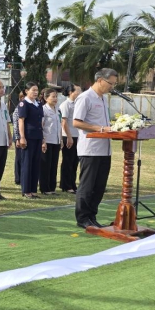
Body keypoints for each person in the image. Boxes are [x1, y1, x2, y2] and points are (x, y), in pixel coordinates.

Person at [73, 69, 117, 229]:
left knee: (99, 186)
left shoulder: (103, 99)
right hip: (90, 149)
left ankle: (92, 216)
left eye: (114, 84)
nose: (112, 87)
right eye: (110, 83)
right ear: (99, 80)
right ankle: (83, 218)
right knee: (87, 185)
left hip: (104, 149)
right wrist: (101, 129)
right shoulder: (85, 97)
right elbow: (76, 122)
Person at [16, 82, 43, 200]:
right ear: (27, 91)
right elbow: (21, 121)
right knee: (27, 163)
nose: (36, 92)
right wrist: (22, 137)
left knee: (36, 163)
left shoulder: (38, 104)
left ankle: (33, 189)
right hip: (28, 136)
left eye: (37, 90)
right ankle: (26, 190)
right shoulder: (24, 103)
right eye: (33, 90)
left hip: (38, 136)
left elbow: (40, 121)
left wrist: (43, 137)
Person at [60, 83, 81, 193]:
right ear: (70, 92)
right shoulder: (66, 104)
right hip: (68, 136)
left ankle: (72, 184)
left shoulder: (77, 104)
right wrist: (69, 137)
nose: (79, 93)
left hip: (77, 135)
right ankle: (66, 185)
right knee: (67, 161)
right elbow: (64, 122)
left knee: (74, 162)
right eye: (77, 90)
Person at [39, 88, 61, 195]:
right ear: (46, 98)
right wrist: (43, 141)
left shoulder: (58, 109)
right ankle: (45, 188)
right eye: (53, 97)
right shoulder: (43, 109)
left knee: (54, 165)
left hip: (56, 141)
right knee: (45, 166)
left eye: (56, 96)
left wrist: (61, 140)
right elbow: (41, 126)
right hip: (47, 140)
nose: (55, 99)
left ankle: (52, 188)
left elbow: (59, 125)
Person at [11, 91, 25, 185]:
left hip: (27, 136)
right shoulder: (18, 109)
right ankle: (18, 178)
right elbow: (15, 124)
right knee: (19, 158)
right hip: (19, 136)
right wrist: (17, 138)